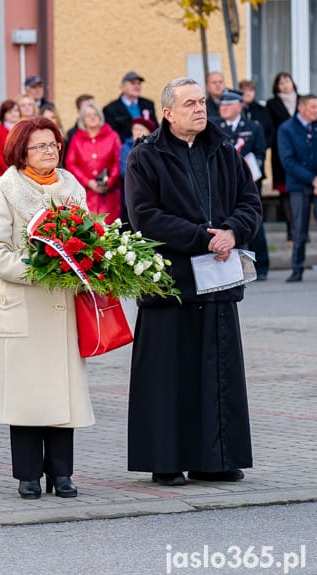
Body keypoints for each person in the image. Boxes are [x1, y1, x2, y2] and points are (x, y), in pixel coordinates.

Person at [125, 77, 261, 486]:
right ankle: (166, 461)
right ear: (168, 112)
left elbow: (249, 202)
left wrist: (233, 232)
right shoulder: (145, 156)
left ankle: (216, 459)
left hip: (218, 280)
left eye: (203, 101)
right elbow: (144, 215)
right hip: (171, 283)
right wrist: (203, 238)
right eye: (190, 103)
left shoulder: (223, 150)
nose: (200, 109)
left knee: (216, 373)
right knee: (170, 378)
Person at [0, 117, 94, 500]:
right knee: (27, 396)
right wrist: (42, 267)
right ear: (20, 151)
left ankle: (62, 473)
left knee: (63, 392)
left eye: (54, 144)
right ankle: (28, 474)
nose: (50, 151)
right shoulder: (4, 189)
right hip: (25, 304)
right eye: (41, 146)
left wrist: (89, 260)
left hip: (62, 307)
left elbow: (90, 237)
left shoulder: (71, 186)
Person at [216, 90, 269, 280]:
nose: (224, 108)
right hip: (224, 185)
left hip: (250, 182)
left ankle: (261, 266)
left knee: (253, 223)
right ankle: (235, 267)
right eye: (222, 105)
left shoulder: (253, 127)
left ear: (239, 106)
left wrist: (253, 169)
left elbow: (260, 153)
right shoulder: (216, 126)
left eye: (228, 105)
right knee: (229, 223)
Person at [277, 94, 317, 283]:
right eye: (313, 107)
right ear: (301, 108)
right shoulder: (286, 129)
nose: (316, 111)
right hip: (298, 185)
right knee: (299, 229)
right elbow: (288, 161)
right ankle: (297, 269)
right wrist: (313, 179)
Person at [65, 101, 122, 223]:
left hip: (109, 195)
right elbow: (71, 163)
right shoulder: (76, 139)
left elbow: (118, 161)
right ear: (82, 120)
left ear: (100, 116)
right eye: (88, 115)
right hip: (86, 195)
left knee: (109, 232)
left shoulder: (112, 136)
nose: (92, 117)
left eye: (95, 114)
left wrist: (109, 182)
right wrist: (88, 182)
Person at [266, 72, 299, 240]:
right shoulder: (272, 104)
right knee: (285, 193)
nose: (285, 85)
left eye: (287, 81)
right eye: (281, 83)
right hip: (282, 153)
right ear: (277, 87)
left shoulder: (303, 101)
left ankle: (301, 230)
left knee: (302, 192)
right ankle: (291, 230)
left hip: (302, 155)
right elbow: (271, 129)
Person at [103, 71, 158, 144]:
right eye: (133, 83)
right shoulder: (111, 109)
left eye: (139, 83)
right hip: (125, 148)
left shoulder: (148, 104)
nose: (137, 86)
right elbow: (113, 135)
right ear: (122, 87)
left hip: (148, 146)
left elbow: (155, 127)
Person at [0, 99, 19, 177]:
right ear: (3, 115)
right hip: (5, 173)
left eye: (16, 110)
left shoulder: (23, 129)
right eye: (10, 112)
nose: (14, 114)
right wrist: (9, 169)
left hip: (24, 172)